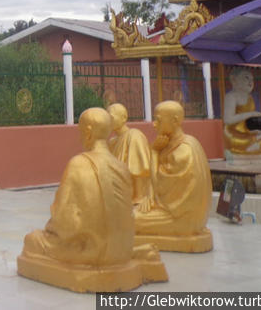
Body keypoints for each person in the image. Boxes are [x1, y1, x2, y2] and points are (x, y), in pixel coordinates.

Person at [18, 107, 166, 293]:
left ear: (87, 132)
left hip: (91, 251)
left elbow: (63, 221)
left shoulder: (78, 163)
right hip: (121, 248)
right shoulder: (121, 167)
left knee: (32, 240)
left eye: (80, 132)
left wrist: (52, 230)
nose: (80, 138)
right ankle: (134, 251)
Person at [134, 100, 213, 253]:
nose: (154, 124)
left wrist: (155, 153)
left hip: (182, 219)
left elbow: (160, 188)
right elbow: (157, 184)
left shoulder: (184, 151)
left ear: (175, 121)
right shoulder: (172, 144)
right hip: (175, 212)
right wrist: (148, 195)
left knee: (128, 220)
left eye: (158, 119)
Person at [108, 103, 152, 207]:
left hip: (135, 194)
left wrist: (138, 196)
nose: (108, 121)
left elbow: (140, 166)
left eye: (111, 117)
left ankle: (138, 195)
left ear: (124, 118)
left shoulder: (134, 135)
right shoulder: (112, 142)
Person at [223, 67, 261, 154]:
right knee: (244, 143)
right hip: (234, 133)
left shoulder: (250, 98)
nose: (250, 82)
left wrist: (259, 129)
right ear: (234, 80)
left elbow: (249, 122)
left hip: (248, 132)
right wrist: (251, 114)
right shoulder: (231, 97)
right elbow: (228, 120)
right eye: (246, 78)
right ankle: (254, 146)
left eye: (252, 79)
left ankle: (255, 146)